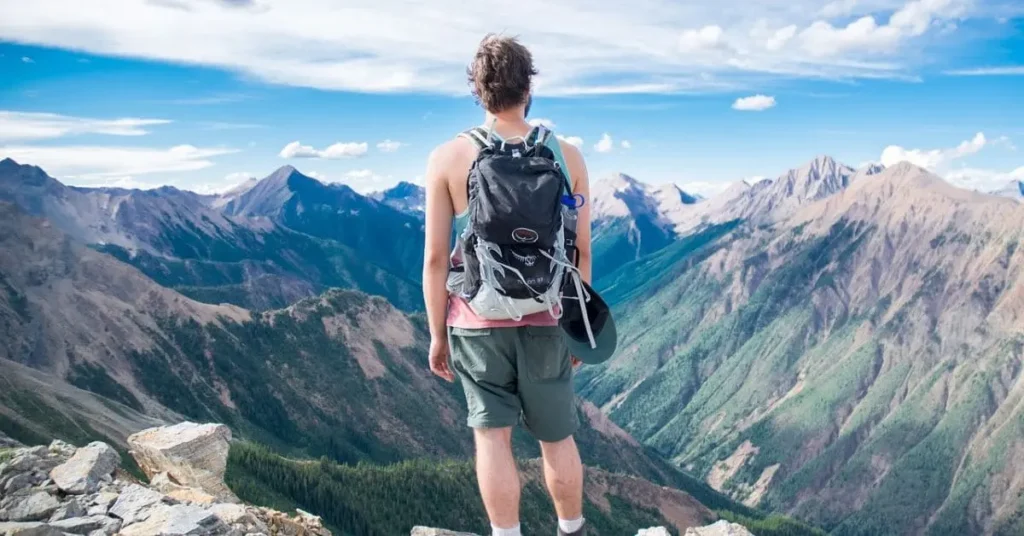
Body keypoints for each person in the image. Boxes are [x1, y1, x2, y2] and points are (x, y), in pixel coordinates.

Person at [422, 34, 593, 536]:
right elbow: (580, 250)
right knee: (557, 437)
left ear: (477, 89)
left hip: (477, 322)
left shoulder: (448, 158)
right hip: (548, 317)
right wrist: (579, 323)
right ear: (528, 86)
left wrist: (437, 334)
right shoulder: (567, 156)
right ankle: (572, 529)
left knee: (492, 439)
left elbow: (434, 259)